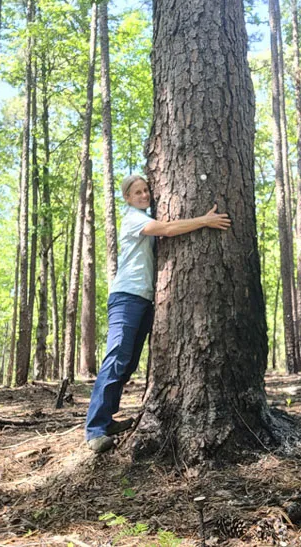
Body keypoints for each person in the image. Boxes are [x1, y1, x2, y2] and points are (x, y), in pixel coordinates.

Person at [85, 175, 231, 453]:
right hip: (126, 297)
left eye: (146, 190)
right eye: (137, 192)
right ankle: (94, 430)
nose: (143, 195)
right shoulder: (133, 219)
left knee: (127, 363)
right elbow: (167, 229)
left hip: (145, 300)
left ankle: (107, 419)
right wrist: (204, 220)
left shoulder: (142, 216)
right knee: (116, 358)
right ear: (127, 198)